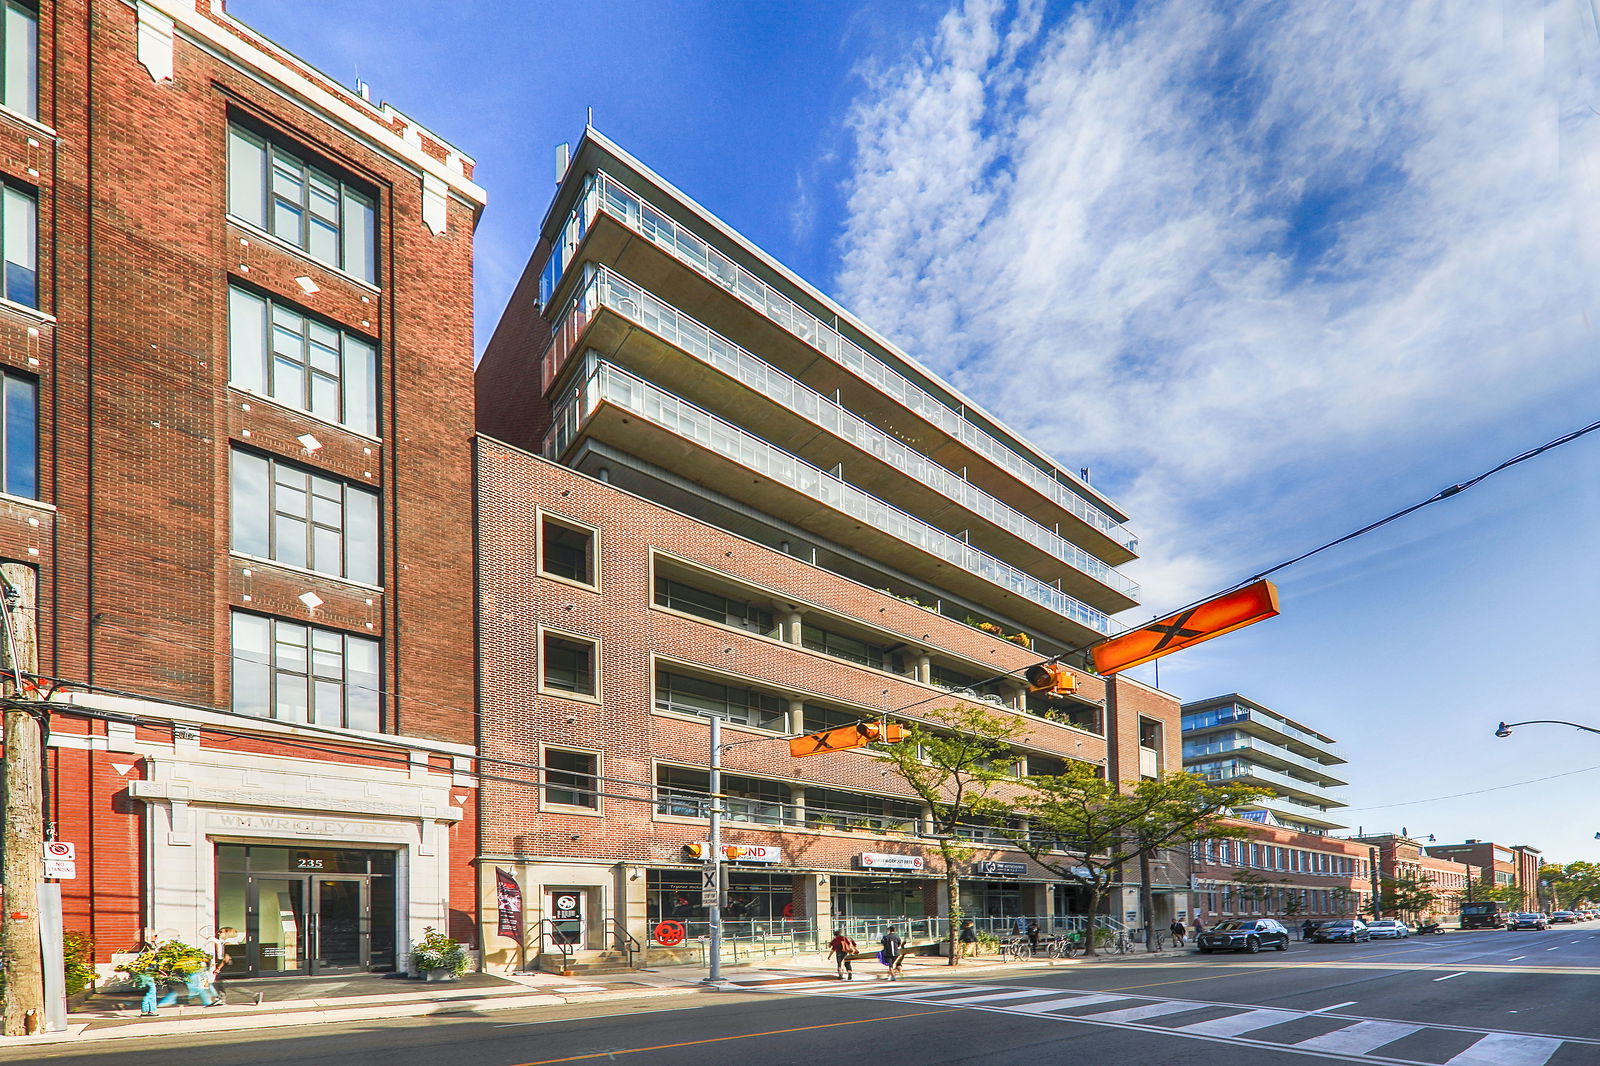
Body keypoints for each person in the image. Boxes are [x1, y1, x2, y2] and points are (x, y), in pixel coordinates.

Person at [203, 927, 238, 1006]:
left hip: (226, 965)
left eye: (220, 932)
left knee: (225, 983)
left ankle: (254, 995)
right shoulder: (230, 942)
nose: (218, 933)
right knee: (219, 982)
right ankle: (221, 1000)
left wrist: (218, 968)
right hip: (229, 964)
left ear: (226, 932)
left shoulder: (227, 943)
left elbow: (226, 958)